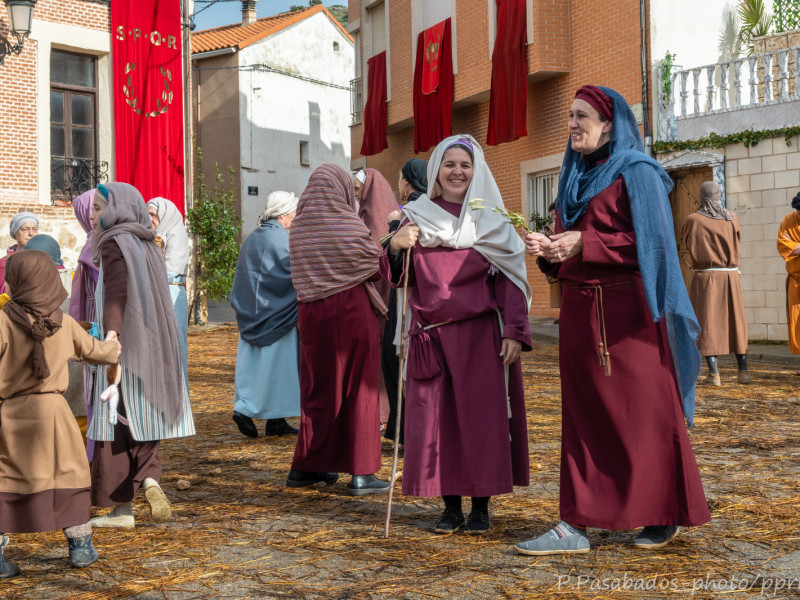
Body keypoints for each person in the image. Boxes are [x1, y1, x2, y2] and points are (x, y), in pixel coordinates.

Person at [517, 85, 710, 555]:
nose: (573, 125)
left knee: (646, 418)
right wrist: (549, 252)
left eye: (582, 116)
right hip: (582, 320)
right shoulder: (573, 179)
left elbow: (656, 247)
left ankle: (664, 513)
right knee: (584, 422)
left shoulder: (637, 173)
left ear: (610, 124)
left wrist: (585, 244)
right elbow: (568, 253)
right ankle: (575, 525)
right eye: (569, 117)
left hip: (631, 322)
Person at [381, 135, 532, 535]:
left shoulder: (491, 219)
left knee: (481, 421)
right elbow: (396, 278)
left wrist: (515, 330)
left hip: (481, 337)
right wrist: (394, 246)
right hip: (430, 337)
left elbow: (512, 278)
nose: (457, 171)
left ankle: (480, 507)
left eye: (465, 164)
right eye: (449, 164)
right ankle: (450, 507)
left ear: (476, 170)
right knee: (437, 422)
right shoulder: (416, 216)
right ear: (436, 171)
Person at [0, 250, 120, 577]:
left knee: (7, 478)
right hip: (54, 414)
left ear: (15, 280)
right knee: (67, 475)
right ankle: (80, 548)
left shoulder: (1, 321)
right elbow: (98, 353)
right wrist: (115, 343)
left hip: (10, 415)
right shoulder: (62, 322)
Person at [88, 183, 195, 529]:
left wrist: (111, 335)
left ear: (117, 209)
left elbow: (117, 292)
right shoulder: (146, 241)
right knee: (145, 412)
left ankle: (120, 509)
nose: (93, 214)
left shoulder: (115, 242)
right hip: (152, 343)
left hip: (126, 346)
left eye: (99, 207)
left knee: (113, 420)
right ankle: (150, 477)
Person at [287, 164, 390, 495]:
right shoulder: (346, 221)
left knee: (319, 391)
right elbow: (375, 266)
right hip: (350, 310)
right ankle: (362, 472)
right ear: (343, 189)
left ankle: (309, 465)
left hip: (310, 314)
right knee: (360, 388)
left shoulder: (298, 226)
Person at [229, 191, 301, 438]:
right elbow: (294, 276)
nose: (296, 215)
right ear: (284, 214)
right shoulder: (282, 240)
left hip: (252, 314)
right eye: (294, 211)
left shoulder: (252, 237)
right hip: (278, 315)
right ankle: (250, 411)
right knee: (276, 370)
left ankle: (271, 419)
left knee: (251, 368)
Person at [682, 181, 750, 385]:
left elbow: (687, 243)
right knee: (737, 321)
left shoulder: (693, 220)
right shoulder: (732, 218)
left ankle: (714, 375)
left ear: (701, 196)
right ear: (719, 195)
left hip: (707, 278)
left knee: (708, 321)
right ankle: (743, 372)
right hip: (731, 277)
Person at [382, 159, 428, 446]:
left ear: (407, 181)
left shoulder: (411, 212)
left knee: (401, 364)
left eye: (399, 179)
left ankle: (406, 432)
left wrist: (395, 228)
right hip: (415, 297)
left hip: (409, 301)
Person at [358, 169, 400, 427]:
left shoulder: (373, 218)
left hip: (379, 292)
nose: (354, 194)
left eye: (357, 189)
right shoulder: (365, 214)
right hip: (378, 294)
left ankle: (383, 413)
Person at [69, 190, 102, 459]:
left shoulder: (97, 242)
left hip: (98, 320)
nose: (89, 216)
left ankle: (97, 452)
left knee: (97, 387)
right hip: (98, 318)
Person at [146, 197, 190, 391]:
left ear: (164, 215)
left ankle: (178, 402)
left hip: (171, 294)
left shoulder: (175, 232)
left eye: (153, 215)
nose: (149, 219)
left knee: (173, 348)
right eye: (147, 214)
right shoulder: (154, 235)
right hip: (156, 293)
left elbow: (172, 270)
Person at [778, 191, 800, 362]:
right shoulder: (788, 221)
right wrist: (795, 247)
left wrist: (797, 245)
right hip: (796, 280)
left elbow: (794, 247)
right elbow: (785, 247)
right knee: (797, 323)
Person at [0, 212, 39, 294]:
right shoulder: (4, 263)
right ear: (15, 232)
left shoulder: (45, 258)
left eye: (34, 229)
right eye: (25, 229)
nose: (31, 233)